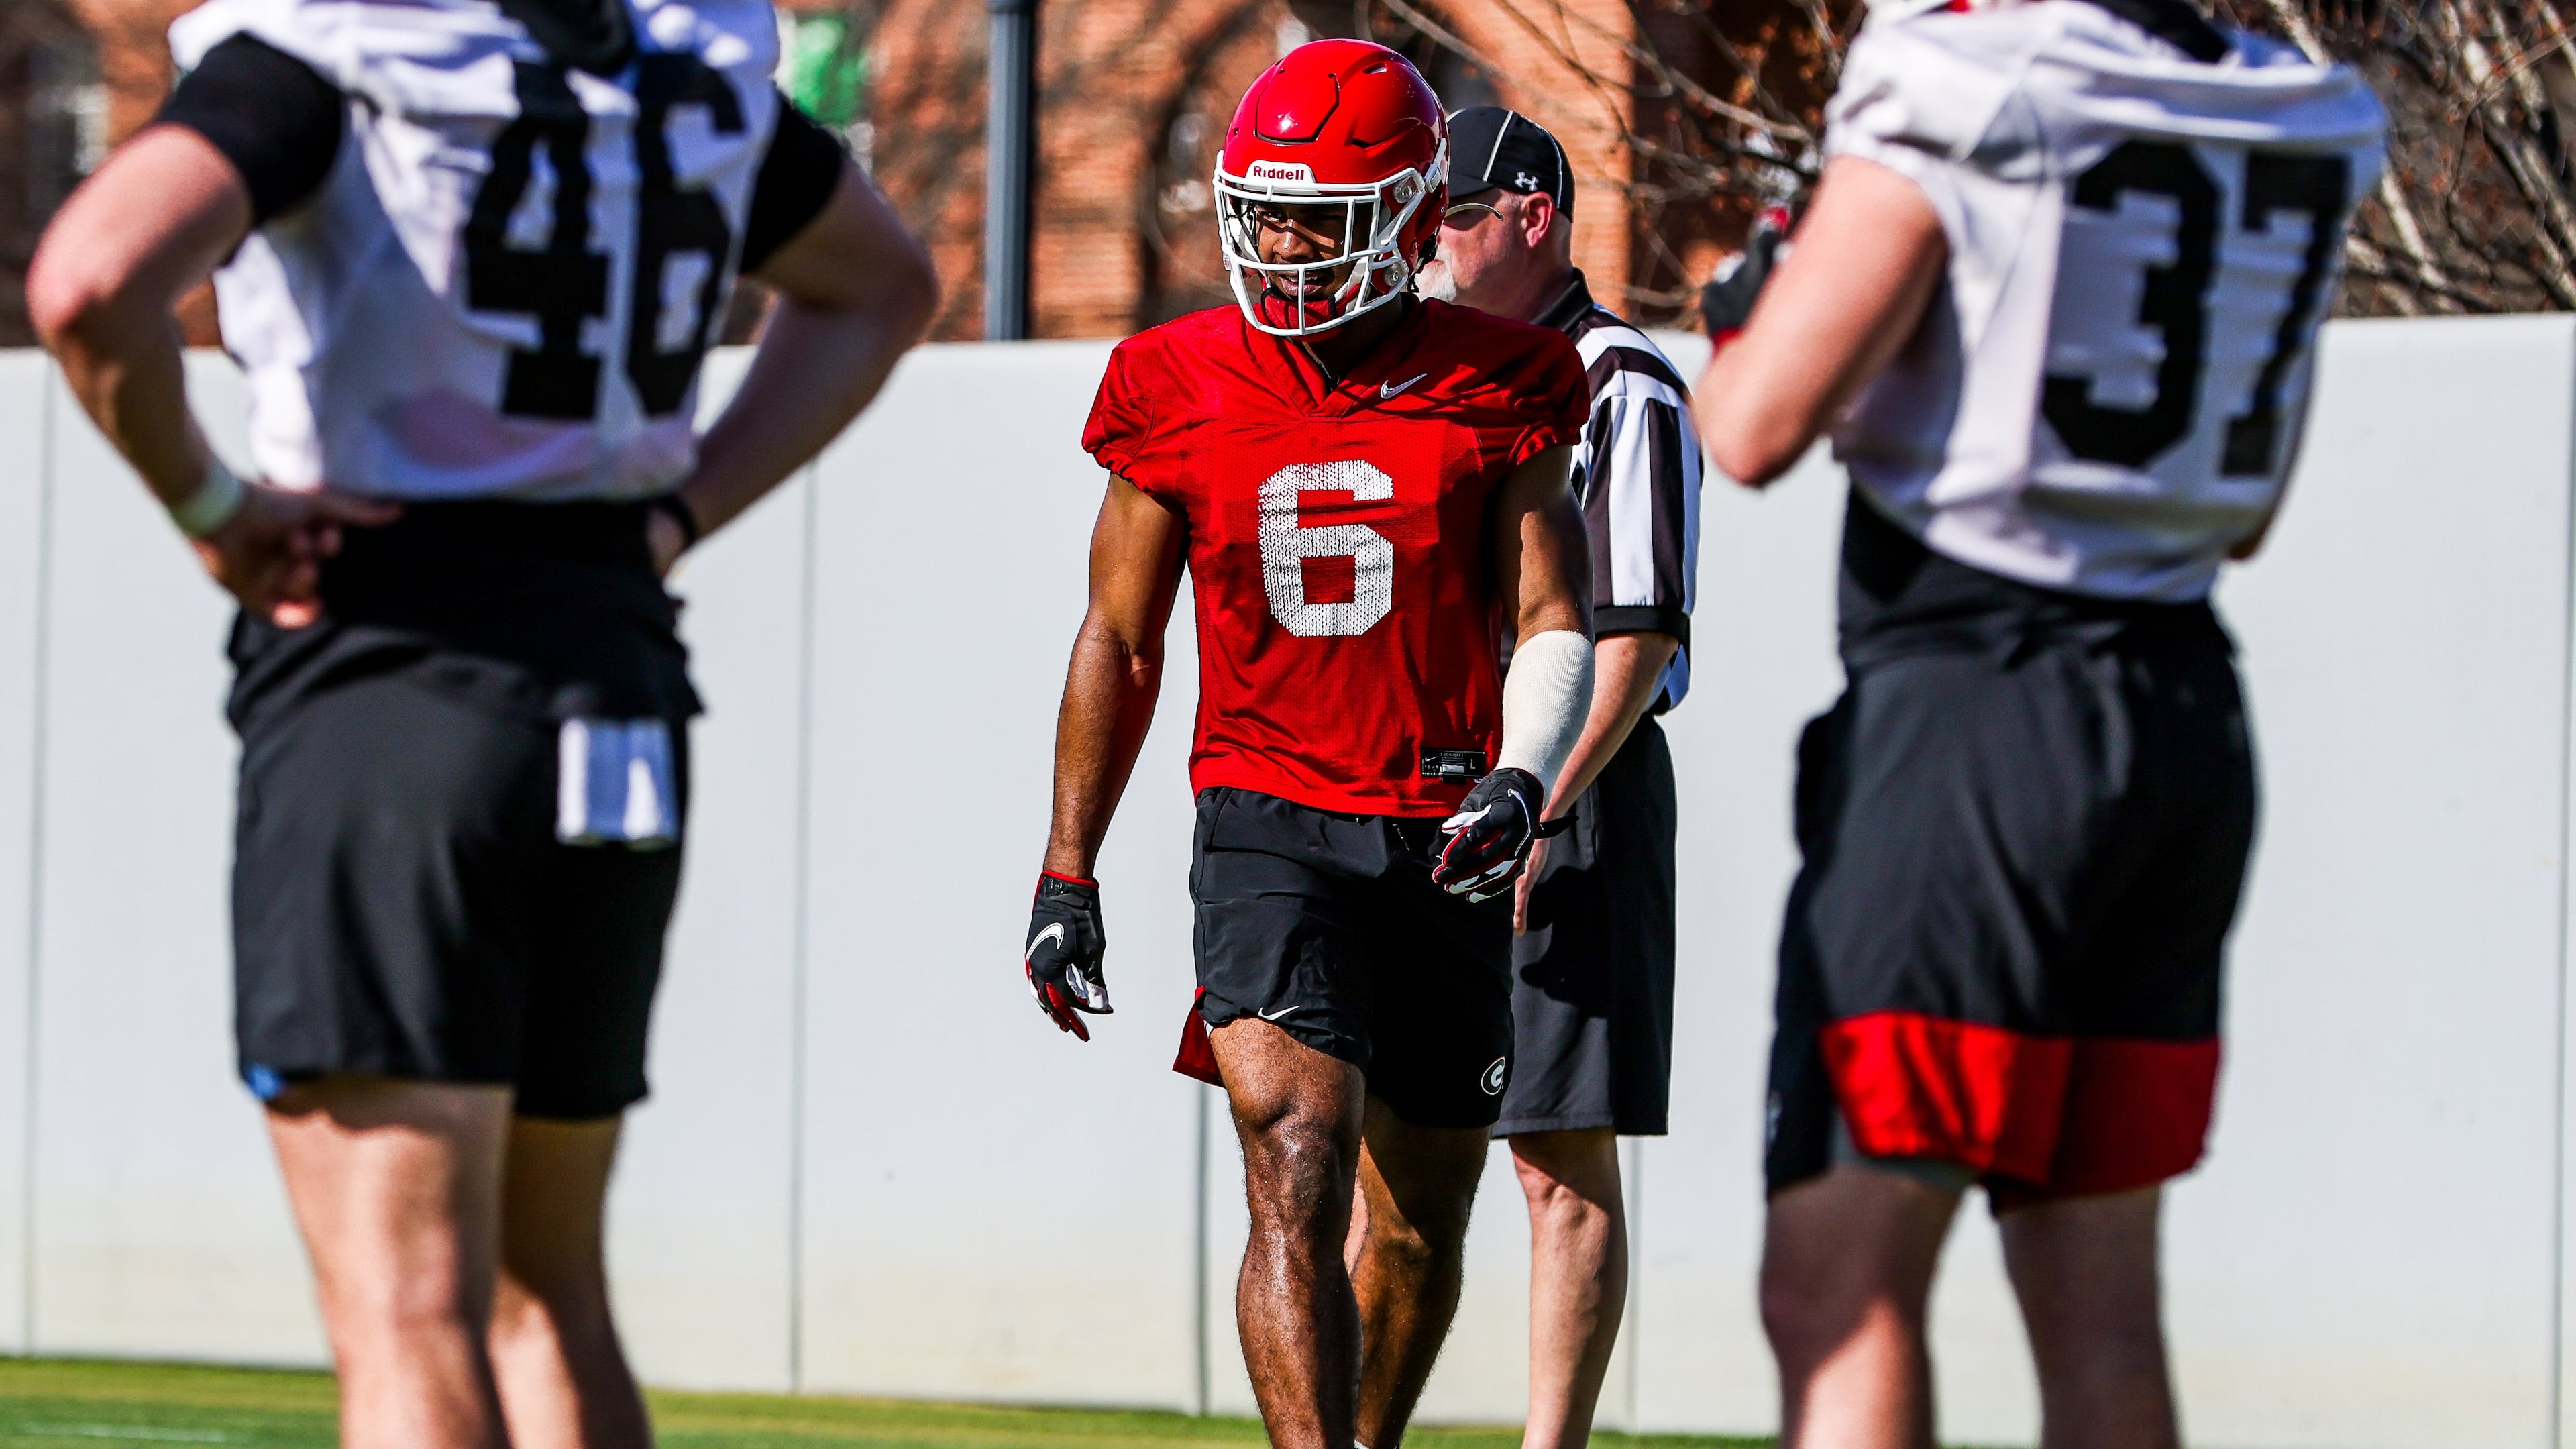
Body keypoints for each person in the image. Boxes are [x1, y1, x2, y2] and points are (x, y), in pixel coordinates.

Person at [25, 0, 936, 1442]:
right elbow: (885, 284)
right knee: (549, 1298)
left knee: (408, 1312)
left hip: (398, 665)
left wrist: (214, 513)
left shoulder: (322, 59)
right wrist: (682, 509)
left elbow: (87, 281)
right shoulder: (671, 71)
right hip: (619, 676)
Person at [1690, 1, 2384, 1444]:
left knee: (1841, 1291)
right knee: (2101, 1313)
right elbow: (2243, 516)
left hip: (1975, 713)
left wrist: (1752, 306)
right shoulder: (2288, 104)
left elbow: (1752, 424)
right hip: (2183, 713)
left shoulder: (1973, 78)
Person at [1022, 40, 1596, 1449]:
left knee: (1416, 1226)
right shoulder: (1173, 377)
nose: (1283, 246)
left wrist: (1524, 780)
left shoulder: (1508, 377)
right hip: (1268, 814)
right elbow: (1121, 636)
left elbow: (1552, 615)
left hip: (1447, 820)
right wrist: (1066, 867)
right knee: (1295, 1158)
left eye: (1317, 219)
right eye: (1265, 212)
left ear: (1410, 222)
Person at [1413, 106, 1701, 1449]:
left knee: (1553, 1162)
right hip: (1435, 788)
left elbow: (1635, 638)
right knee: (1387, 1153)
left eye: (1457, 213)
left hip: (1570, 796)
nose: (1434, 241)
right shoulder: (1446, 379)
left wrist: (1542, 801)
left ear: (1536, 213)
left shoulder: (1622, 380)